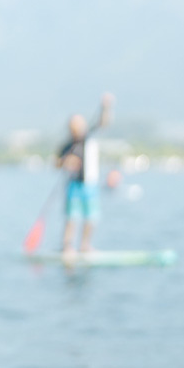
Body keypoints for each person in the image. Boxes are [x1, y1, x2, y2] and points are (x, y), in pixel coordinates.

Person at [55, 93, 114, 254]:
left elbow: (103, 123)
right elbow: (57, 163)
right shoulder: (68, 145)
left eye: (78, 125)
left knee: (91, 217)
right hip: (74, 185)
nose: (76, 128)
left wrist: (106, 106)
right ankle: (67, 246)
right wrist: (66, 162)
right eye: (73, 126)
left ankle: (85, 246)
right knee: (72, 217)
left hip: (90, 184)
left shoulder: (90, 137)